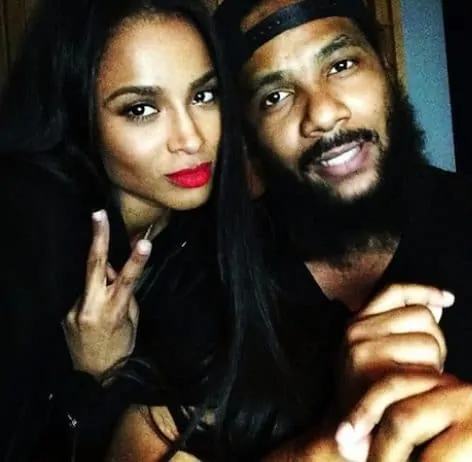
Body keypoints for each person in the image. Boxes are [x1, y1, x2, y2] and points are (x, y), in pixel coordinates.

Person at [109, 0, 472, 460]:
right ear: (248, 133)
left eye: (341, 65)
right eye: (275, 96)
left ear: (385, 66)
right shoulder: (210, 276)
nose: (324, 114)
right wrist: (334, 443)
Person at [0, 0, 272, 460]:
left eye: (203, 96)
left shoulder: (205, 233)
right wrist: (91, 377)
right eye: (142, 108)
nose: (191, 138)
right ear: (79, 112)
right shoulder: (26, 227)